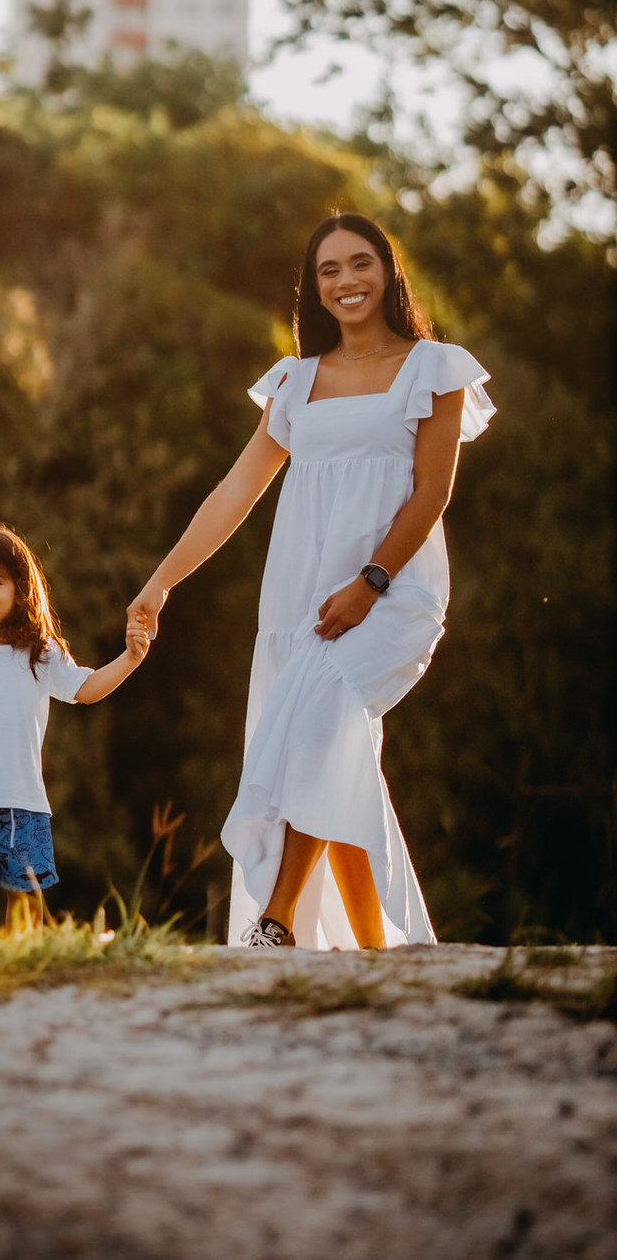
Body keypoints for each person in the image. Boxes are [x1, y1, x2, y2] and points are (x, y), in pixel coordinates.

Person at [128, 213, 495, 950]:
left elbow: (430, 493)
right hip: (305, 597)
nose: (347, 281)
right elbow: (234, 493)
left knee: (324, 716)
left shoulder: (436, 367)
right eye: (329, 270)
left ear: (388, 273)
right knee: (335, 747)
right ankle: (376, 947)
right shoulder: (295, 383)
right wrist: (160, 583)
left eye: (360, 264)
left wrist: (371, 581)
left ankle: (278, 920)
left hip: (396, 591)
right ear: (314, 289)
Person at [0, 524, 149, 942]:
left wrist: (131, 659)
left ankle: (24, 970)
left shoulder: (41, 652)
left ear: (20, 588)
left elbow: (87, 688)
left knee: (26, 896)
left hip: (24, 805)